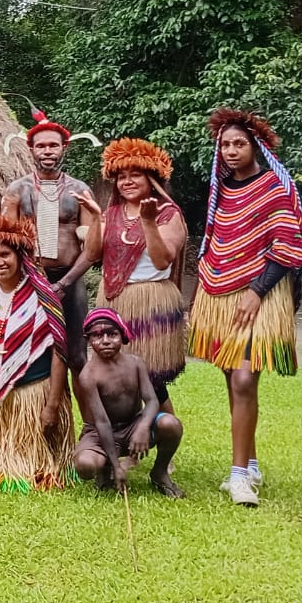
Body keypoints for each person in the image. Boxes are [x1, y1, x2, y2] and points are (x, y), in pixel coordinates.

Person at [189, 108, 302, 508]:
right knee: (231, 379)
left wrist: (257, 290)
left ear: (256, 145)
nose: (231, 150)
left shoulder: (274, 187)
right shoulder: (220, 188)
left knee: (243, 380)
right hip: (218, 292)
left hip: (258, 295)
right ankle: (250, 462)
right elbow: (217, 237)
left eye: (239, 143)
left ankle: (240, 477)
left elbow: (288, 246)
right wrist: (207, 277)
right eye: (225, 144)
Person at [0, 215, 73, 491]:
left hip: (34, 393)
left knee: (31, 464)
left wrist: (53, 404)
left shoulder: (42, 296)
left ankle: (30, 465)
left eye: (5, 254)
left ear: (20, 255)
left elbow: (60, 352)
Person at [2, 108, 101, 373]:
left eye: (53, 146)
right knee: (32, 352)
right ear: (31, 150)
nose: (47, 151)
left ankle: (88, 416)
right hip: (30, 279)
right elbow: (7, 243)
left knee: (78, 356)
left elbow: (91, 248)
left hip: (71, 279)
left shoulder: (79, 191)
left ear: (64, 148)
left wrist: (64, 283)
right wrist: (29, 278)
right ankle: (41, 411)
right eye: (41, 146)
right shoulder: (16, 191)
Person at [94, 137, 187, 411]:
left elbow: (162, 261)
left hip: (151, 298)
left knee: (150, 377)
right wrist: (91, 217)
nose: (127, 181)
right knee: (120, 376)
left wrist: (148, 222)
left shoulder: (168, 213)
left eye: (135, 174)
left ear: (152, 179)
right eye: (121, 176)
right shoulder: (110, 213)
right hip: (114, 300)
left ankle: (166, 431)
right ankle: (130, 436)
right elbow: (94, 255)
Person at [74, 308, 184, 498]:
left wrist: (143, 427)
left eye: (112, 334)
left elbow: (151, 400)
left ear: (123, 335)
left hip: (133, 426)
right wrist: (117, 465)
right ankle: (106, 467)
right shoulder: (88, 375)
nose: (106, 340)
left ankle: (160, 472)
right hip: (100, 433)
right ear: (89, 340)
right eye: (97, 336)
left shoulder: (136, 363)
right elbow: (101, 421)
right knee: (85, 465)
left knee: (171, 424)